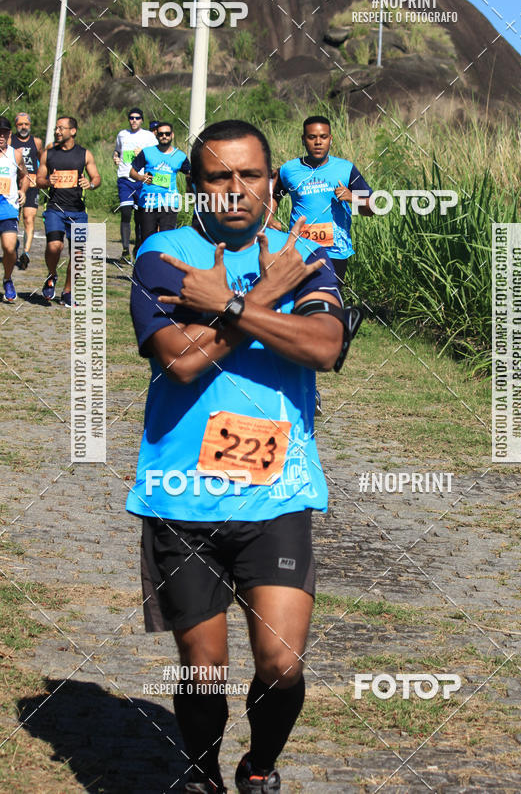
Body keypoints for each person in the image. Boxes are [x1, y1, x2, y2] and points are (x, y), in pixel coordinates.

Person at [128, 119, 346, 794]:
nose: (235, 190)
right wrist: (263, 301)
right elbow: (182, 361)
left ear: (272, 186)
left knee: (281, 663)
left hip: (276, 491)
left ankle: (258, 770)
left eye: (250, 175)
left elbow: (324, 347)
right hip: (181, 493)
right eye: (219, 177)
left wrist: (226, 303)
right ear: (197, 186)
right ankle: (201, 775)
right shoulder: (163, 255)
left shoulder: (303, 254)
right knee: (203, 668)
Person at [275, 115, 374, 283]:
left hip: (335, 250)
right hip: (300, 249)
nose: (318, 142)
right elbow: (272, 194)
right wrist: (269, 217)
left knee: (331, 297)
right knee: (299, 299)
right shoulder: (288, 170)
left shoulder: (346, 168)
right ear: (303, 140)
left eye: (323, 137)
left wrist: (353, 198)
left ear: (330, 139)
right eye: (312, 137)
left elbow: (371, 209)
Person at [36, 117, 101, 306]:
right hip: (55, 209)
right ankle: (52, 274)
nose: (57, 131)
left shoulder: (84, 154)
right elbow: (38, 179)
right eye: (56, 128)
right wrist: (49, 181)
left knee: (78, 254)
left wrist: (91, 184)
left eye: (61, 128)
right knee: (55, 246)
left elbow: (96, 177)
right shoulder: (48, 154)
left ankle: (67, 291)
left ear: (72, 131)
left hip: (78, 211)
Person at [130, 121, 191, 244]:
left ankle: (163, 262)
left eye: (167, 134)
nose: (164, 136)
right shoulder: (147, 152)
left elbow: (189, 174)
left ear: (172, 135)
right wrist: (141, 177)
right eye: (161, 134)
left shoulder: (180, 156)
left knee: (166, 238)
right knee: (148, 239)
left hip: (169, 201)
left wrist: (190, 190)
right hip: (148, 201)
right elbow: (132, 172)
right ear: (156, 135)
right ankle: (147, 261)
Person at [113, 107, 156, 265]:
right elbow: (117, 151)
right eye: (131, 118)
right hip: (125, 178)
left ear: (142, 120)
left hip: (141, 179)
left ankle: (137, 249)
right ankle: (125, 251)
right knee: (125, 212)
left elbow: (156, 155)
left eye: (137, 118)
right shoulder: (122, 134)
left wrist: (143, 153)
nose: (134, 120)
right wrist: (115, 158)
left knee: (140, 217)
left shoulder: (149, 136)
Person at [0, 117, 30, 302]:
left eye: (3, 133)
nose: (0, 136)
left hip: (8, 206)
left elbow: (25, 175)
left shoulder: (15, 154)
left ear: (9, 134)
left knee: (9, 248)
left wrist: (23, 190)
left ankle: (7, 278)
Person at [10, 112, 42, 270]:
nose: (23, 127)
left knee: (29, 218)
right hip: (13, 185)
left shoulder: (37, 142)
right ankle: (13, 246)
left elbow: (43, 162)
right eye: (20, 124)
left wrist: (43, 177)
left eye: (26, 124)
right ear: (16, 126)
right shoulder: (10, 140)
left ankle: (26, 253)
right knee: (12, 219)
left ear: (30, 125)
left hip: (32, 185)